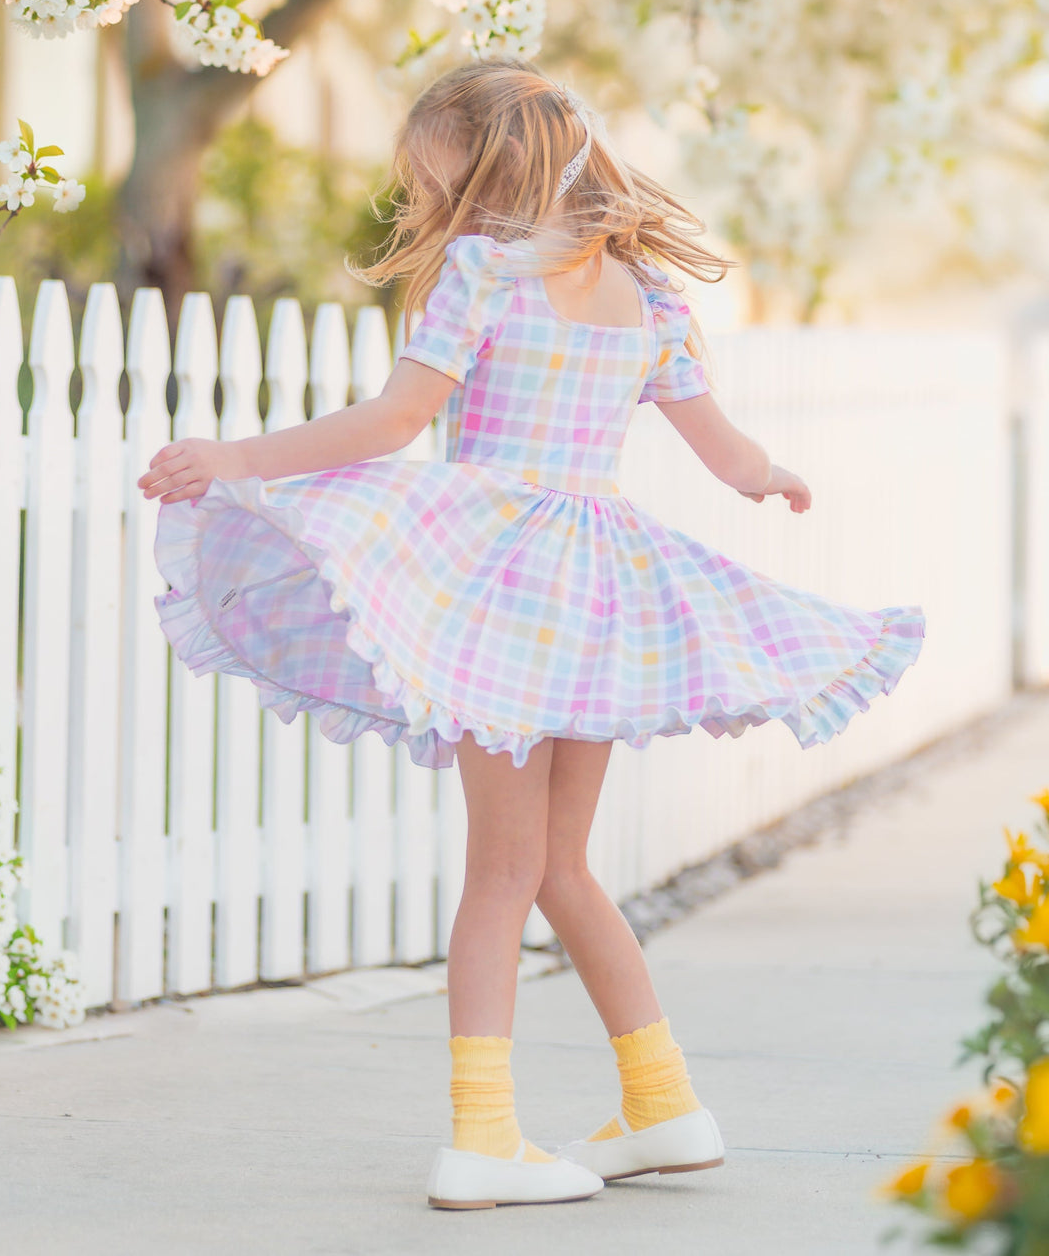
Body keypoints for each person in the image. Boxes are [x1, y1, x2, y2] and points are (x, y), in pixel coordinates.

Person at [139, 58, 926, 1211]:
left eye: (432, 173)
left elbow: (397, 420)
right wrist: (772, 479)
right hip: (599, 584)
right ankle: (663, 1106)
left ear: (485, 166)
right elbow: (728, 452)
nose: (426, 197)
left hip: (500, 580)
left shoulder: (481, 271)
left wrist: (239, 459)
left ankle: (484, 1136)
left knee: (504, 871)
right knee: (559, 866)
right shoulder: (652, 296)